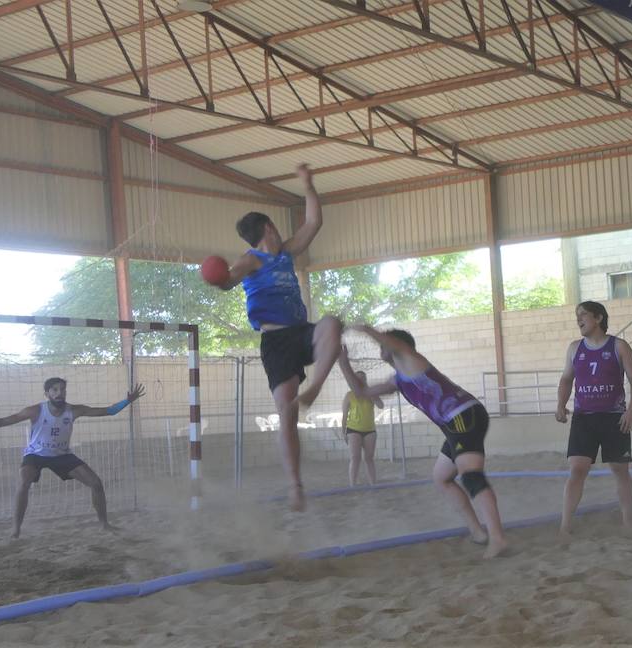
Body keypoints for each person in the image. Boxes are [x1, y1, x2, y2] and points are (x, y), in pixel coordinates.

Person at [211, 164, 342, 511]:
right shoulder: (250, 260)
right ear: (269, 226)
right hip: (275, 342)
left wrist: (308, 185)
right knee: (286, 413)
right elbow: (230, 279)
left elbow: (313, 223)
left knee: (331, 324)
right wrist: (218, 279)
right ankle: (295, 485)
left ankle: (313, 388)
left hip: (301, 332)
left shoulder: (285, 253)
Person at [338, 327, 508, 558]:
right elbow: (361, 391)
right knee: (442, 478)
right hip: (453, 425)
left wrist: (360, 327)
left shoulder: (410, 358)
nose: (381, 347)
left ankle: (497, 539)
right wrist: (342, 360)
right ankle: (478, 531)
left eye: (385, 343)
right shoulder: (398, 379)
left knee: (471, 477)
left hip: (463, 416)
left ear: (397, 345)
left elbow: (389, 341)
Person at [0, 378, 143, 538]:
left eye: (62, 390)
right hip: (35, 455)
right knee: (23, 483)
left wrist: (127, 401)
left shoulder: (73, 410)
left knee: (96, 484)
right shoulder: (35, 410)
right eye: (55, 390)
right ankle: (15, 529)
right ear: (47, 394)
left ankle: (104, 525)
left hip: (61, 455)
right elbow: (4, 422)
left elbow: (109, 411)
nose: (59, 393)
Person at [554, 301, 632, 536]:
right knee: (577, 468)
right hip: (584, 418)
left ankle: (628, 522)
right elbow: (566, 379)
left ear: (599, 318)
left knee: (620, 468)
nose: (578, 319)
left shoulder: (619, 346)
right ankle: (565, 526)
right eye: (577, 315)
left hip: (615, 417)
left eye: (583, 315)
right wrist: (560, 405)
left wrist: (631, 410)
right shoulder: (574, 348)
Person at [340, 371, 384, 486]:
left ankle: (373, 484)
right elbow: (344, 415)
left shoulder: (371, 394)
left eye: (363, 379)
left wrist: (370, 392)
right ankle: (353, 484)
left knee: (369, 458)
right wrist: (343, 432)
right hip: (353, 429)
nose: (361, 381)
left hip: (369, 430)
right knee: (355, 457)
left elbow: (381, 405)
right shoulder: (349, 395)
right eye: (358, 379)